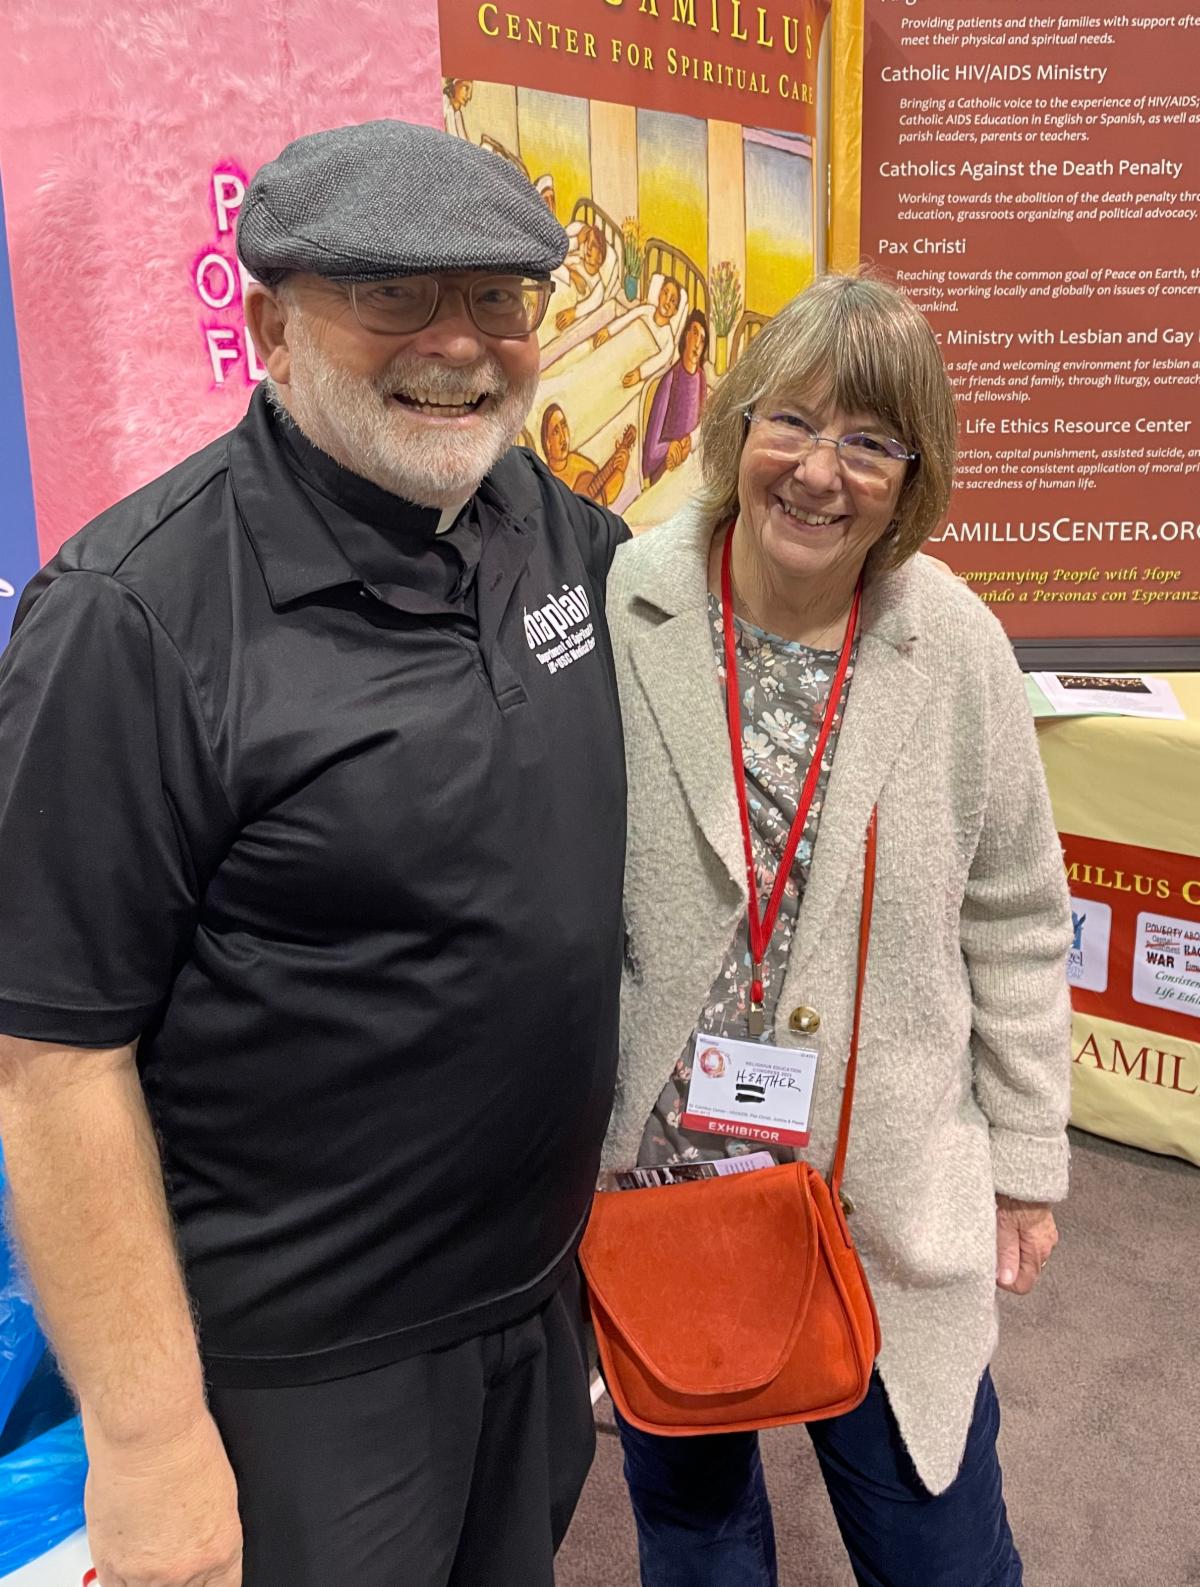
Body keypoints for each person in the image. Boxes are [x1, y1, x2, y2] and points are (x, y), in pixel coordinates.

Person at [0, 120, 628, 1587]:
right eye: (393, 294)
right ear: (273, 325)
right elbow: (50, 1061)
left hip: (534, 1302)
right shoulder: (133, 620)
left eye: (497, 297)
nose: (459, 344)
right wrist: (148, 1440)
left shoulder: (546, 523)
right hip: (305, 1371)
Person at [601, 272, 1072, 1587]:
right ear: (736, 423)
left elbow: (1019, 912)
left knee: (939, 1547)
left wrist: (1027, 1155)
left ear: (913, 475)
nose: (819, 472)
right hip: (666, 1185)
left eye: (870, 441)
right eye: (792, 422)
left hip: (884, 1197)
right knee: (696, 1538)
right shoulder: (626, 606)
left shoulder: (956, 644)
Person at [642, 307, 708, 486]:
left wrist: (690, 442)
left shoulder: (701, 379)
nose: (697, 344)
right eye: (695, 333)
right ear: (686, 336)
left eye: (702, 340)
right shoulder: (670, 380)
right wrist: (669, 448)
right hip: (666, 473)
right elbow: (648, 458)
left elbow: (702, 429)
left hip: (687, 469)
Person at [594, 274, 682, 388]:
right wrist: (609, 330)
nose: (667, 301)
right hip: (621, 347)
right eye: (665, 293)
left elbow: (659, 360)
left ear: (675, 311)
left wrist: (640, 373)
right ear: (659, 294)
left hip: (633, 363)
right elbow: (628, 317)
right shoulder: (646, 310)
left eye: (673, 300)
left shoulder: (669, 341)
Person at [541, 402, 631, 507]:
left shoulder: (577, 463)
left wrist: (619, 468)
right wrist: (619, 472)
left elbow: (601, 492)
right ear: (547, 443)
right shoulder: (546, 481)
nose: (563, 437)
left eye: (564, 426)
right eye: (556, 432)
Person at [554, 222, 611, 333]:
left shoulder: (598, 284)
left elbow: (594, 301)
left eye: (593, 245)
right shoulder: (576, 260)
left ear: (600, 257)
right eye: (587, 241)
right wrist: (571, 274)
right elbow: (551, 261)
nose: (588, 247)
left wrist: (573, 313)